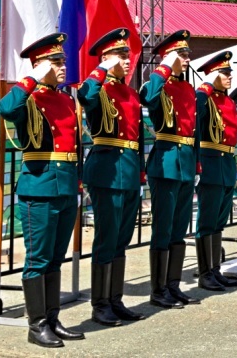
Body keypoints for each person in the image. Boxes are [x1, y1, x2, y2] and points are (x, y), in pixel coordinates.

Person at [0, 33, 86, 348]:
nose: (63, 66)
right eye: (56, 61)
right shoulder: (28, 97)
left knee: (55, 259)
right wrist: (30, 78)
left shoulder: (64, 98)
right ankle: (36, 326)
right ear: (38, 65)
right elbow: (6, 109)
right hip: (39, 186)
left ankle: (52, 318)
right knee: (37, 259)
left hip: (64, 185)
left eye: (63, 60)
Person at [78, 28, 146, 326]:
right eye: (121, 55)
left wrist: (140, 171)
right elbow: (84, 96)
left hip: (129, 169)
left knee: (122, 239)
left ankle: (115, 299)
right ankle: (100, 304)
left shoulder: (129, 92)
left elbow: (139, 134)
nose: (128, 60)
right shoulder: (98, 87)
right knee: (106, 238)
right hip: (107, 169)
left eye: (127, 54)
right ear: (106, 59)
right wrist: (100, 70)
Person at [140, 31, 200, 308]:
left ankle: (173, 285)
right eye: (182, 55)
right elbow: (147, 98)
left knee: (179, 228)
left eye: (187, 54)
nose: (187, 59)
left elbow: (194, 130)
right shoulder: (158, 85)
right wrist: (163, 67)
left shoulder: (187, 88)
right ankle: (158, 289)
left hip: (185, 162)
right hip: (165, 162)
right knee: (163, 228)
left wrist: (196, 162)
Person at [194, 51, 237, 291]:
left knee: (219, 220)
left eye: (230, 72)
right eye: (224, 73)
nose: (229, 76)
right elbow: (195, 111)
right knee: (207, 220)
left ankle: (214, 269)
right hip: (210, 161)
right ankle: (204, 273)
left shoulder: (228, 101)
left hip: (226, 163)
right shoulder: (204, 98)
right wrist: (205, 86)